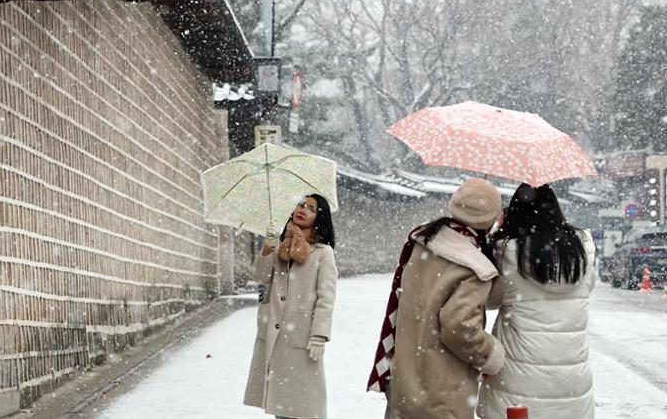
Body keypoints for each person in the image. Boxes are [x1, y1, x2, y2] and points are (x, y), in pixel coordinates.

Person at [368, 178, 506, 419]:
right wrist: (491, 354)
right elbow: (460, 328)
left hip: (404, 382)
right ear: (490, 220)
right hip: (441, 395)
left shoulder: (423, 242)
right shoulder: (473, 266)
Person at [476, 183, 596, 419]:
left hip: (517, 375)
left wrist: (492, 241)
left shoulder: (509, 252)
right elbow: (588, 287)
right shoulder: (582, 249)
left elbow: (490, 299)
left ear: (516, 213)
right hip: (570, 378)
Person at [244, 194, 338, 419]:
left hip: (302, 338)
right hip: (275, 336)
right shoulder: (280, 246)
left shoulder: (323, 253)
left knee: (304, 406)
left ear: (319, 217)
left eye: (311, 208)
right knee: (281, 405)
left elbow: (326, 297)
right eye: (300, 204)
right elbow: (260, 275)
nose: (303, 210)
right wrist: (268, 245)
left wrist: (319, 335)